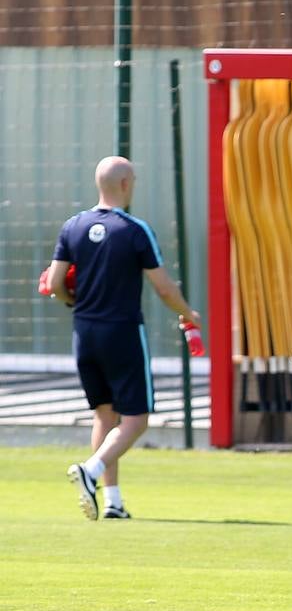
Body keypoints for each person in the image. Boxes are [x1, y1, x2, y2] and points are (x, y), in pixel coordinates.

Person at [51, 156, 200, 521]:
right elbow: (163, 287)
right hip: (122, 331)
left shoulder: (72, 226)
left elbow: (55, 284)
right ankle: (90, 470)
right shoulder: (134, 229)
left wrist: (74, 300)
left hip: (84, 331)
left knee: (104, 413)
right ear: (124, 184)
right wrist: (188, 313)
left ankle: (113, 501)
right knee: (136, 419)